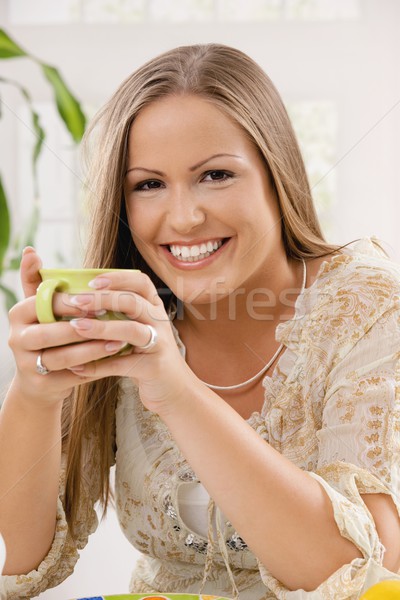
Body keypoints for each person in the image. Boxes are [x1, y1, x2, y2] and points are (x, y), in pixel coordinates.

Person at [0, 43, 399, 600]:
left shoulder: (367, 302)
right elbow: (28, 562)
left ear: (275, 174)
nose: (184, 218)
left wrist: (176, 391)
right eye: (149, 184)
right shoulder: (123, 313)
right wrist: (35, 393)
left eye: (215, 175)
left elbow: (366, 573)